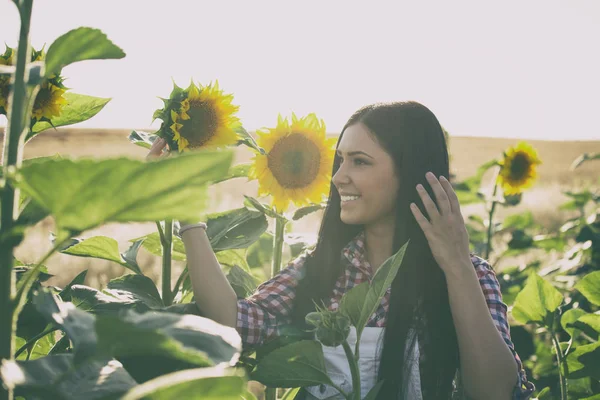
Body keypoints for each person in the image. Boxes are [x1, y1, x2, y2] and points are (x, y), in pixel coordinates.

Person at [147, 101, 535, 400]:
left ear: (411, 171)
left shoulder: (469, 275)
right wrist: (188, 215)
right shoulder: (324, 269)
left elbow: (495, 391)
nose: (337, 177)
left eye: (360, 162)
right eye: (340, 160)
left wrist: (455, 265)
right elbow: (234, 323)